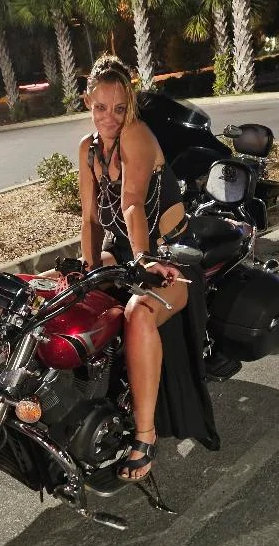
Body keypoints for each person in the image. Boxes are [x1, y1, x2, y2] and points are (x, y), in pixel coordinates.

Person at [79, 54, 219, 482]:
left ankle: (145, 436)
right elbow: (90, 219)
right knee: (68, 293)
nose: (110, 117)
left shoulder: (136, 135)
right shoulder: (88, 149)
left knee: (139, 312)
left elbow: (132, 204)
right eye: (101, 107)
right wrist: (87, 268)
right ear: (87, 102)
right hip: (128, 251)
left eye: (119, 108)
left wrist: (143, 259)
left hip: (173, 251)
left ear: (131, 106)